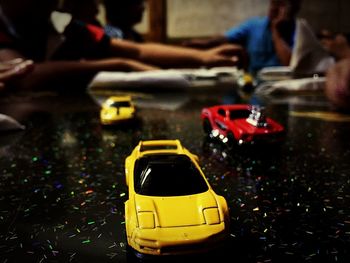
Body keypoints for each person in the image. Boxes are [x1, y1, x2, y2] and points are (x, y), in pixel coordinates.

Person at [0, 0, 239, 91]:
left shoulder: (63, 24)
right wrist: (119, 64)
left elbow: (136, 50)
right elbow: (24, 73)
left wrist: (204, 57)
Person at [183, 0, 302, 75]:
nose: (273, 8)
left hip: (283, 86)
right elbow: (224, 38)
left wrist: (276, 31)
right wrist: (203, 43)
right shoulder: (253, 26)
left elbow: (290, 63)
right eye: (273, 3)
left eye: (281, 4)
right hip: (254, 86)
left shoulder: (300, 30)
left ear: (294, 8)